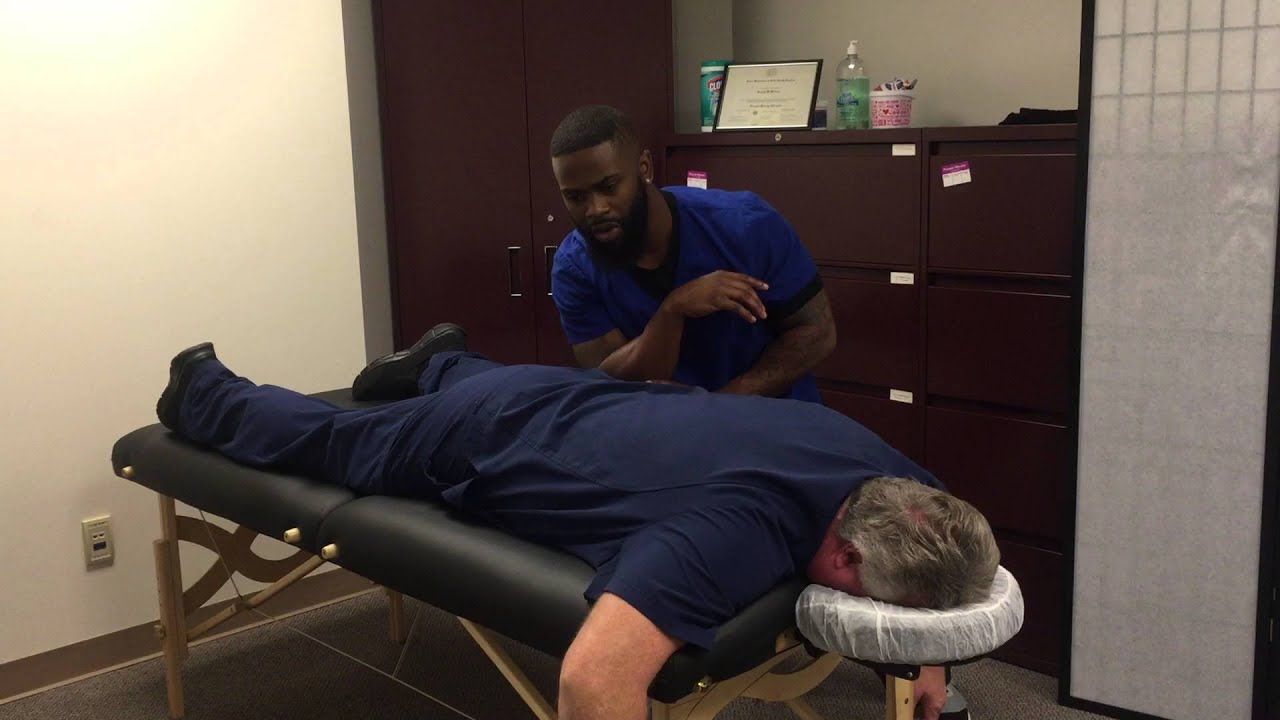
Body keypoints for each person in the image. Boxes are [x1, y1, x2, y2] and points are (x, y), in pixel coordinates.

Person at [159, 325, 999, 720]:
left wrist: (924, 657)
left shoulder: (890, 474)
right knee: (331, 444)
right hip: (484, 436)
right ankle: (202, 389)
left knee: (498, 383)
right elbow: (593, 683)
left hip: (572, 396)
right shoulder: (737, 532)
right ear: (845, 559)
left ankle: (439, 361)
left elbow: (936, 556)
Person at [548, 105, 837, 402]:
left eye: (609, 187)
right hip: (661, 425)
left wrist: (717, 406)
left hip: (771, 418)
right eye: (575, 197)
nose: (596, 209)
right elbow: (611, 385)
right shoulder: (574, 267)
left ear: (644, 168)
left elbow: (817, 333)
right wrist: (671, 312)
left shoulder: (745, 226)